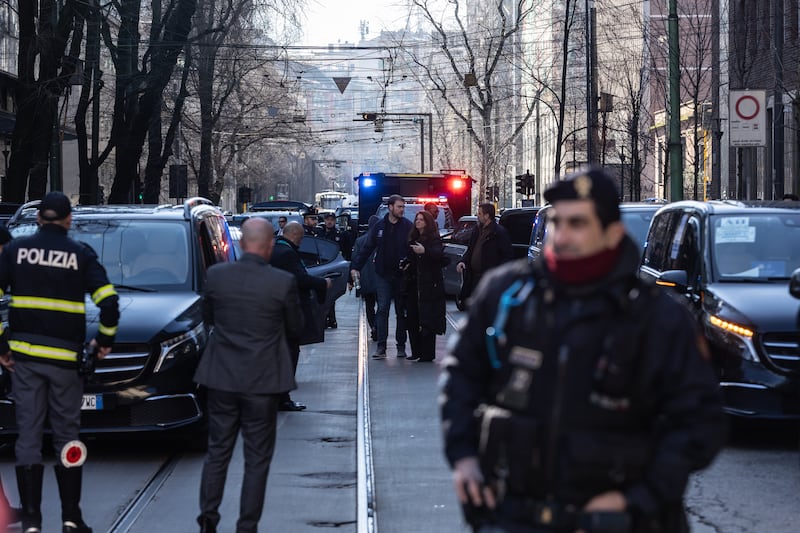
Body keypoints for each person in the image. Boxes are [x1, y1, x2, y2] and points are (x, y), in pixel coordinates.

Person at [441, 169, 727, 533]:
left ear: (612, 232)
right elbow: (461, 375)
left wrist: (637, 499)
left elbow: (700, 422)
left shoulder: (657, 317)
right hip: (517, 513)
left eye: (577, 223)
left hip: (620, 519)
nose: (561, 235)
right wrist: (463, 456)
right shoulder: (507, 295)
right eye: (557, 221)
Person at [0, 191, 120, 533]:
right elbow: (108, 303)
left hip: (24, 360)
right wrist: (103, 342)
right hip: (65, 361)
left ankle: (33, 521)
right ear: (69, 220)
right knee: (67, 435)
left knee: (28, 436)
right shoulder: (80, 254)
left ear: (38, 219)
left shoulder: (14, 252)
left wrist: (1, 344)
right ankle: (71, 518)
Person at [195, 217, 303, 533]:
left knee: (218, 451)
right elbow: (294, 328)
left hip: (222, 377)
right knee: (257, 459)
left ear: (242, 245)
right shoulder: (281, 283)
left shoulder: (216, 276)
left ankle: (208, 520)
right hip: (262, 380)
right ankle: (247, 526)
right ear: (269, 247)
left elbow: (208, 317)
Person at [269, 221, 331, 411]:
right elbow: (300, 279)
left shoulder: (274, 249)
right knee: (290, 352)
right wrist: (322, 283)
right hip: (289, 310)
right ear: (296, 236)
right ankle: (283, 397)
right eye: (301, 238)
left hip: (273, 309)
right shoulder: (287, 253)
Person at [350, 195, 414, 359]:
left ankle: (401, 346)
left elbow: (413, 248)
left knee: (401, 311)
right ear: (391, 207)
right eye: (399, 207)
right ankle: (381, 346)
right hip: (383, 275)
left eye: (403, 207)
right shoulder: (379, 227)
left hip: (401, 276)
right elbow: (367, 248)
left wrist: (410, 263)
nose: (402, 210)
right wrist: (356, 267)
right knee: (383, 309)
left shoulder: (407, 226)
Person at [404, 210, 446, 362]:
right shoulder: (413, 238)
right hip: (414, 283)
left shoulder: (433, 239)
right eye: (417, 219)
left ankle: (427, 353)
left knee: (427, 318)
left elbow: (438, 256)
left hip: (428, 285)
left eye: (421, 219)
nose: (418, 222)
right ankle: (416, 350)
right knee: (413, 318)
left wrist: (424, 251)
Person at [456, 203, 512, 305]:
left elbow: (506, 256)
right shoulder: (477, 230)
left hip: (488, 277)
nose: (478, 216)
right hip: (474, 278)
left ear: (487, 216)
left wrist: (497, 275)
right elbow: (471, 250)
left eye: (480, 214)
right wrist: (463, 261)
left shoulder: (498, 233)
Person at [350, 215, 380, 341]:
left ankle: (373, 326)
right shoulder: (382, 239)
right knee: (382, 305)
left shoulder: (360, 240)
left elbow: (354, 260)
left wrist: (351, 280)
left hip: (366, 278)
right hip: (380, 278)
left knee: (369, 305)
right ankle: (378, 327)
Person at [320, 213, 349, 328]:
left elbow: (346, 250)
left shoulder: (340, 235)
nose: (329, 222)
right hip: (321, 266)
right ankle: (327, 318)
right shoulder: (320, 234)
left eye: (332, 220)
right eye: (328, 220)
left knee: (331, 293)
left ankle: (331, 318)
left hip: (333, 267)